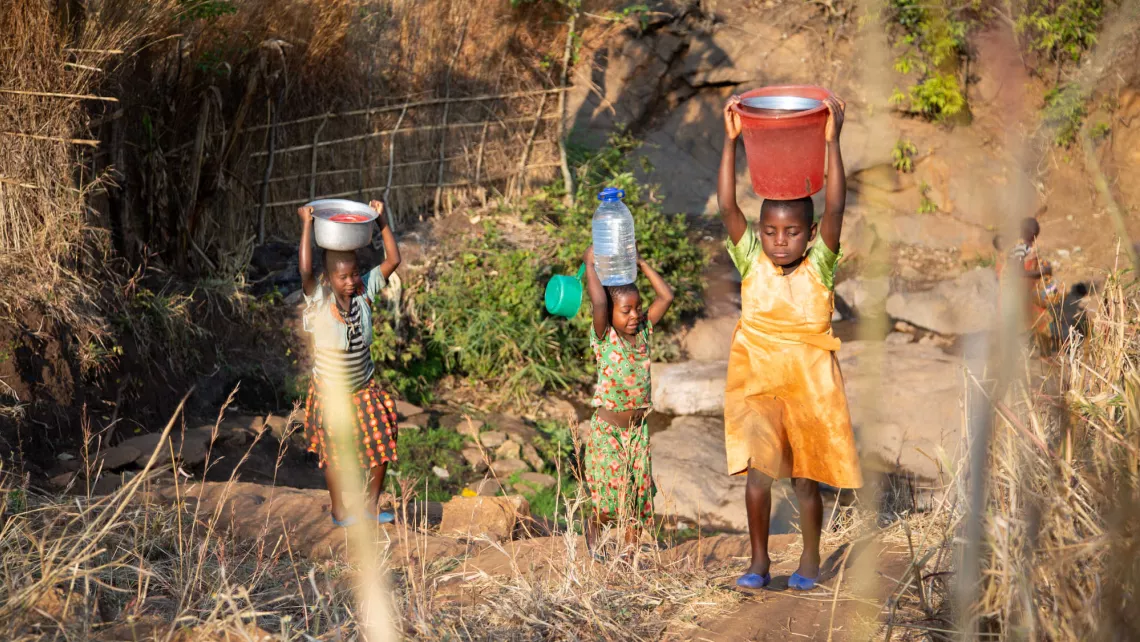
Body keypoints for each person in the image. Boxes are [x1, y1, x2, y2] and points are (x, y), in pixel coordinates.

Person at [717, 94, 863, 590]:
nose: (781, 240)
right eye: (772, 231)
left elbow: (837, 203)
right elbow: (726, 204)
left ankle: (810, 557)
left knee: (805, 479)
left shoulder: (820, 264)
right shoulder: (750, 259)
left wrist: (832, 143)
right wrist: (731, 141)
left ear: (811, 234)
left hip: (808, 384)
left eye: (793, 231)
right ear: (760, 233)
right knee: (759, 475)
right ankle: (759, 561)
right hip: (758, 378)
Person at [297, 200, 402, 527]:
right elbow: (304, 270)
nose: (351, 280)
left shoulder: (365, 293)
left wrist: (382, 220)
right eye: (343, 276)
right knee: (337, 456)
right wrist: (306, 225)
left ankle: (370, 506)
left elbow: (394, 259)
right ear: (329, 279)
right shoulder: (320, 299)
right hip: (331, 393)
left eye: (355, 273)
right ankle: (339, 510)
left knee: (383, 443)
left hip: (362, 388)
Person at [582, 244, 673, 560]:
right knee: (610, 498)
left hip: (637, 432)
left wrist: (643, 264)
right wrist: (590, 265)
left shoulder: (644, 331)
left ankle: (630, 552)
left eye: (637, 308)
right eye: (626, 310)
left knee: (637, 494)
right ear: (610, 312)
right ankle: (594, 527)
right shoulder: (606, 335)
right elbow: (597, 300)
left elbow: (666, 297)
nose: (634, 315)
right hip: (608, 432)